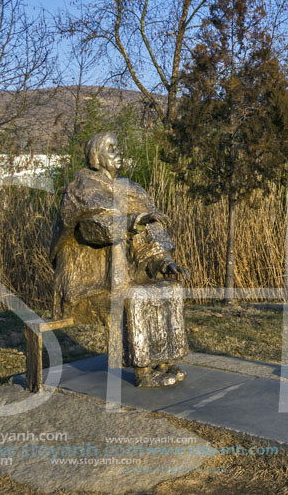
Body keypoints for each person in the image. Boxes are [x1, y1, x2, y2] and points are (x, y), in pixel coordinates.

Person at [51, 132, 189, 387]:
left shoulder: (129, 189)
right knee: (135, 297)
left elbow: (150, 226)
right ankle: (144, 373)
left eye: (118, 147)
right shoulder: (82, 188)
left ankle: (165, 361)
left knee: (170, 289)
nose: (119, 152)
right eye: (111, 148)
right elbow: (94, 227)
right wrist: (131, 222)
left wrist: (163, 260)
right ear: (96, 156)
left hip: (125, 273)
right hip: (89, 280)